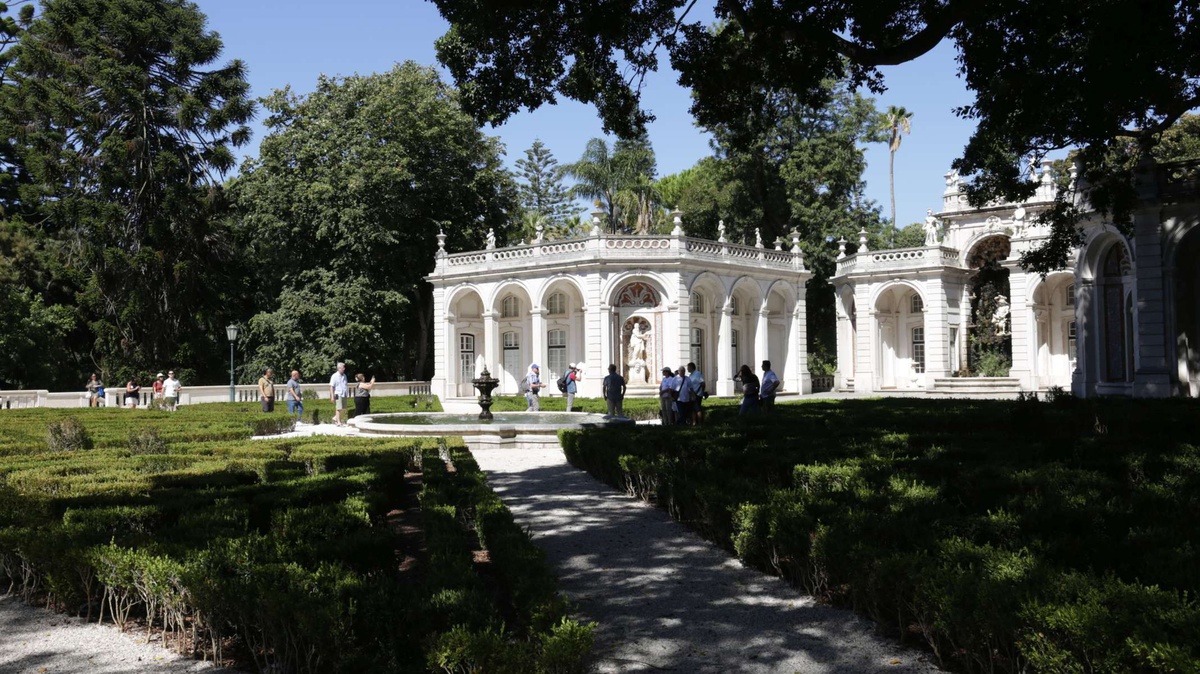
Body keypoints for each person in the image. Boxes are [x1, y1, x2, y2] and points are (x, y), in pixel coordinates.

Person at [329, 362, 349, 427]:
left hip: (344, 393)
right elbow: (331, 386)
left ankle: (335, 418)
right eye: (343, 367)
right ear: (339, 368)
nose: (344, 369)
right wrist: (332, 396)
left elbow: (345, 385)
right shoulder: (334, 376)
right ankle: (338, 422)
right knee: (338, 408)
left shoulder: (345, 375)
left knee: (343, 407)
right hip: (338, 393)